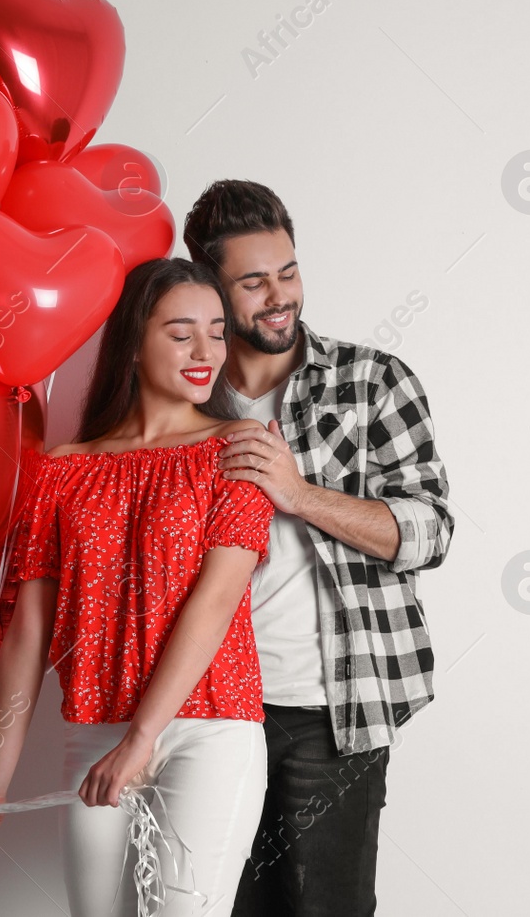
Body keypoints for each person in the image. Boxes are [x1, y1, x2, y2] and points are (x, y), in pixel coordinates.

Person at [0, 257, 279, 917]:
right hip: (96, 731)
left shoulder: (241, 447)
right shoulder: (61, 471)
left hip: (208, 731)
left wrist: (142, 739)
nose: (206, 351)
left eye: (216, 331)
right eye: (181, 332)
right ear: (134, 341)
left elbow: (214, 602)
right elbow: (28, 630)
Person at [181, 180, 454, 917]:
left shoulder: (372, 382)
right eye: (253, 281)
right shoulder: (184, 402)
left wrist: (299, 494)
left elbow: (429, 532)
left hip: (335, 709)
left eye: (289, 271)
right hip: (213, 713)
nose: (279, 296)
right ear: (210, 285)